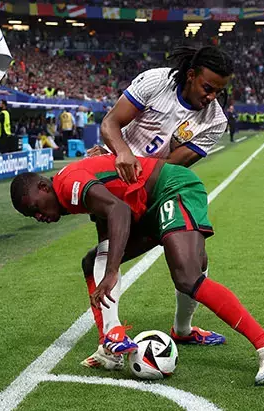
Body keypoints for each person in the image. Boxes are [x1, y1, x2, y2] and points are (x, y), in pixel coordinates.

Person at [9, 155, 264, 385]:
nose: (38, 217)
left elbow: (118, 211)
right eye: (30, 216)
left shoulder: (68, 184)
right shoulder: (69, 193)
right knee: (94, 262)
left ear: (43, 188)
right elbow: (106, 225)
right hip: (145, 208)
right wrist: (108, 266)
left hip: (171, 189)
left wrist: (112, 271)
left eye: (35, 208)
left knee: (187, 276)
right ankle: (112, 345)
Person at [82, 46, 233, 370]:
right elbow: (110, 124)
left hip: (158, 185)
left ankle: (183, 330)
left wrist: (132, 163)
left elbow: (171, 166)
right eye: (208, 88)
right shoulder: (156, 82)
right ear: (191, 75)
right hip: (115, 177)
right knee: (108, 248)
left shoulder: (215, 121)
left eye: (219, 92)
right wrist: (119, 153)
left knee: (197, 261)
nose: (211, 97)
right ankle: (111, 337)